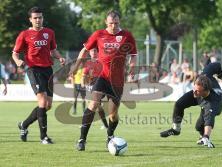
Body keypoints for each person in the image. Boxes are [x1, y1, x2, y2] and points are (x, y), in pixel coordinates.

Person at [69, 10, 137, 151]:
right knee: (93, 104)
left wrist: (132, 68)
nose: (114, 26)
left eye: (116, 23)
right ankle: (82, 139)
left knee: (113, 114)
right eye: (111, 23)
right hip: (102, 76)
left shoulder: (127, 36)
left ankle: (110, 135)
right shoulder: (98, 34)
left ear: (120, 22)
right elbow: (84, 51)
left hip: (117, 81)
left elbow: (133, 55)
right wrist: (75, 68)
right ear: (106, 22)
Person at [12, 6, 65, 144]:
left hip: (48, 69)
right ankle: (44, 137)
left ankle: (24, 124)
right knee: (42, 101)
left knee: (47, 106)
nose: (38, 20)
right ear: (30, 19)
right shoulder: (24, 35)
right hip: (33, 69)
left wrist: (59, 58)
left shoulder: (49, 33)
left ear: (43, 18)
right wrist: (18, 62)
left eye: (40, 17)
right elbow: (15, 53)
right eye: (35, 18)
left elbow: (53, 50)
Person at [160, 62, 222, 148]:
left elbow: (209, 121)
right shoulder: (204, 76)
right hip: (201, 96)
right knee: (179, 104)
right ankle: (176, 129)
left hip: (216, 104)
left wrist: (206, 136)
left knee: (199, 126)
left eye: (197, 90)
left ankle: (203, 138)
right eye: (194, 87)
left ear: (205, 91)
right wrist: (220, 73)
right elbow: (216, 64)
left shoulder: (211, 103)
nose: (194, 91)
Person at [82, 48, 108, 129]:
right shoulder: (88, 63)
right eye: (92, 51)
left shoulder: (102, 61)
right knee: (92, 106)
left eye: (95, 51)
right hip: (90, 86)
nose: (93, 52)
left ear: (98, 52)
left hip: (100, 86)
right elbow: (84, 75)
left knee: (95, 106)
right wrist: (83, 84)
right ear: (89, 53)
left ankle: (85, 125)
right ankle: (104, 125)